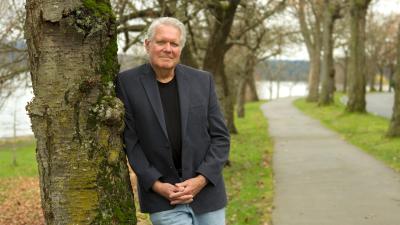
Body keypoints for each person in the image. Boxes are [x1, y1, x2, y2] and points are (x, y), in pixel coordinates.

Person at [116, 17, 230, 225]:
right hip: (162, 197)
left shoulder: (202, 81)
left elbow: (220, 138)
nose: (168, 49)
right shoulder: (127, 83)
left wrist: (201, 179)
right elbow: (132, 144)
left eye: (174, 44)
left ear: (180, 49)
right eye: (161, 42)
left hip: (207, 193)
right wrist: (158, 186)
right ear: (147, 44)